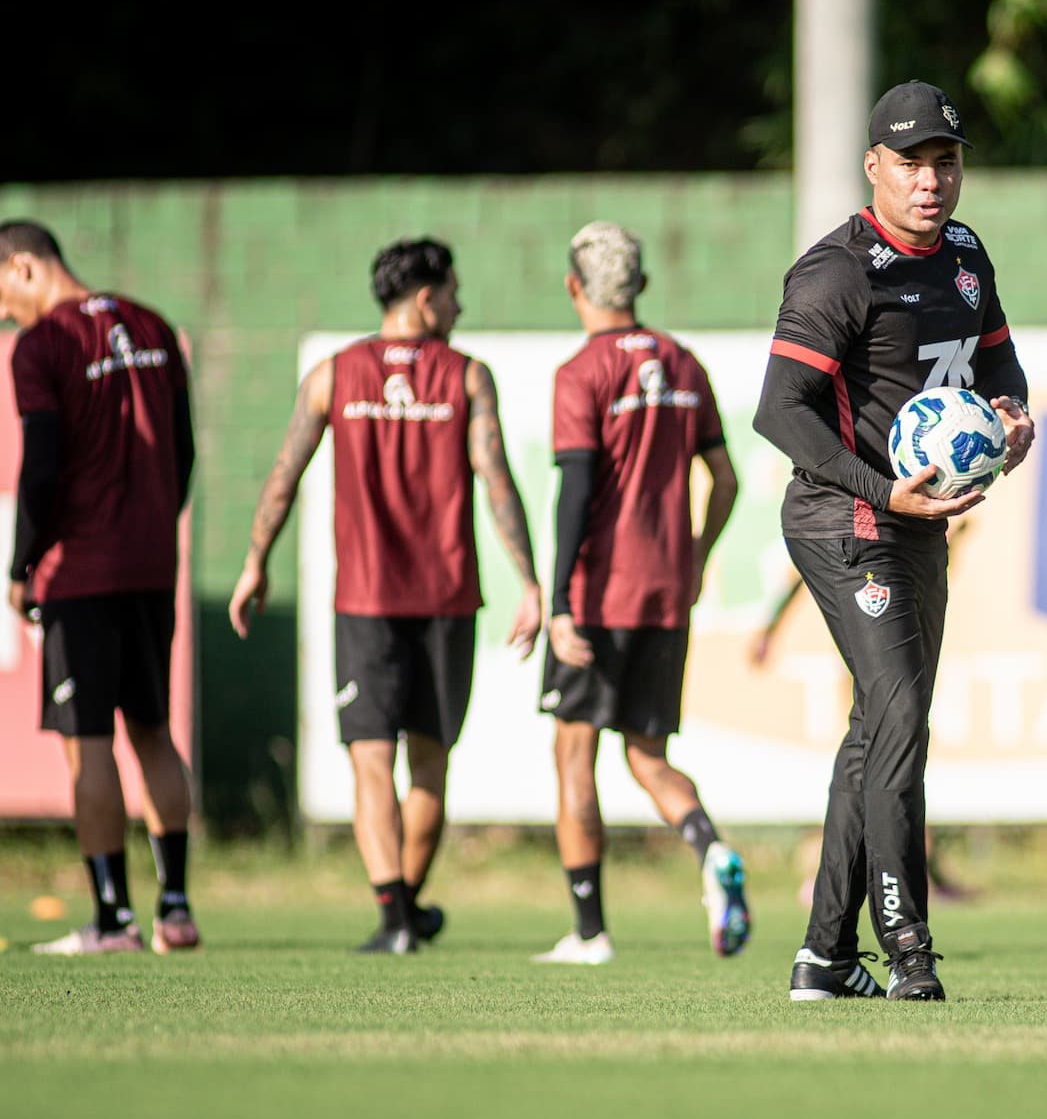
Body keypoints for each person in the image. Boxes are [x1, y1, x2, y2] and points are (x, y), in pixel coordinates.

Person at [753, 80, 1034, 1002]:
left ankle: (824, 959)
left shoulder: (963, 252)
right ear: (874, 166)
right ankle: (906, 942)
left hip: (918, 526)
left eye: (945, 162)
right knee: (902, 718)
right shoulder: (838, 272)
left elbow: (996, 353)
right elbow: (778, 413)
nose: (930, 181)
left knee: (877, 730)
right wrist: (883, 491)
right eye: (911, 163)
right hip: (846, 521)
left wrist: (1013, 411)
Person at [228, 237, 542, 954]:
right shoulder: (467, 377)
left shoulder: (332, 375)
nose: (459, 306)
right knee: (429, 762)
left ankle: (396, 917)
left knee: (370, 760)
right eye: (453, 293)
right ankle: (407, 908)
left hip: (364, 602)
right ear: (426, 299)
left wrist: (255, 563)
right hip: (447, 599)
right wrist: (527, 581)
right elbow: (497, 481)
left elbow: (283, 474)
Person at [533, 221, 749, 965]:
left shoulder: (580, 372)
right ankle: (713, 850)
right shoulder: (684, 363)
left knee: (574, 755)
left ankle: (589, 932)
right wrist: (694, 555)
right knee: (649, 757)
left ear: (573, 288)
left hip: (598, 597)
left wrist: (559, 601)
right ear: (642, 287)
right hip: (664, 593)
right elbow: (726, 479)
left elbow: (578, 491)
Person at [2, 220, 201, 957]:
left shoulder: (43, 345)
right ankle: (175, 909)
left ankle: (113, 918)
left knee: (87, 745)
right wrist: (153, 524)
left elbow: (43, 466)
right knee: (153, 732)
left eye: (1, 293)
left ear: (24, 267)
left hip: (81, 570)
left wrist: (24, 565)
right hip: (152, 566)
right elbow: (181, 453)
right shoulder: (152, 325)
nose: (4, 311)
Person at [748, 519, 979, 905]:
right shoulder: (856, 522)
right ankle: (834, 875)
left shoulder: (915, 531)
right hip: (876, 663)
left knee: (894, 760)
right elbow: (798, 573)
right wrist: (770, 629)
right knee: (880, 758)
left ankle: (901, 872)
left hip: (903, 661)